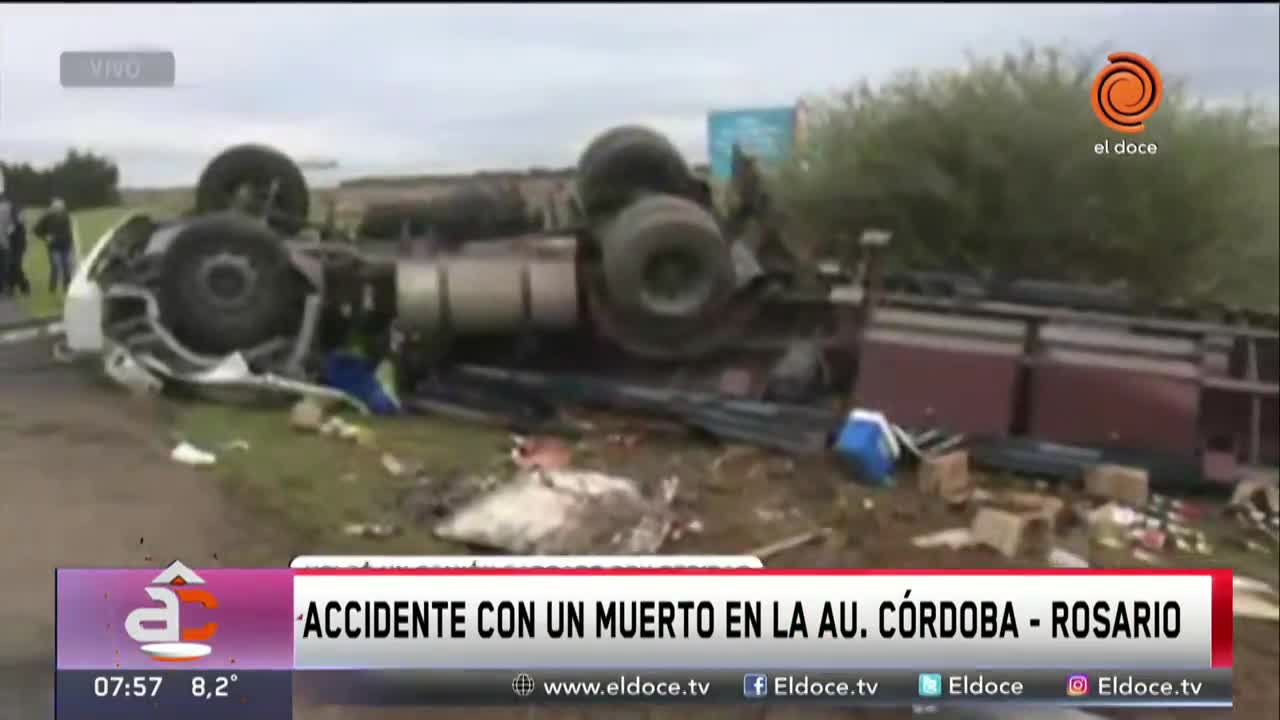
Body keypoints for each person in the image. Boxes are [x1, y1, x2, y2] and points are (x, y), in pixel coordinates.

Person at [34, 197, 75, 295]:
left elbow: (69, 230)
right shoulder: (47, 217)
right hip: (53, 247)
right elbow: (36, 230)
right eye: (57, 206)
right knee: (56, 267)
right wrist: (45, 237)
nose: (60, 208)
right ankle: (52, 289)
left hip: (66, 245)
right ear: (53, 207)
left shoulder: (66, 215)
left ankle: (67, 288)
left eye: (61, 206)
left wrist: (71, 242)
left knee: (66, 267)